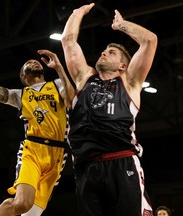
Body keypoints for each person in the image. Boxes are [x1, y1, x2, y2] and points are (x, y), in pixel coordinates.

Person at [60, 3, 158, 216]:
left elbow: (149, 41)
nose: (104, 54)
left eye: (111, 53)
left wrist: (122, 25)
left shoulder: (129, 83)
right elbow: (68, 41)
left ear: (122, 66)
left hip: (121, 161)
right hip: (86, 168)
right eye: (104, 51)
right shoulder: (84, 79)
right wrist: (77, 13)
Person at [0, 48, 74, 216]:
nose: (33, 62)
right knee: (22, 204)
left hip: (57, 155)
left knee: (31, 214)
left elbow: (70, 99)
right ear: (22, 76)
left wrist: (59, 67)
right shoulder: (20, 95)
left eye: (35, 61)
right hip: (32, 150)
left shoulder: (57, 84)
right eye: (28, 63)